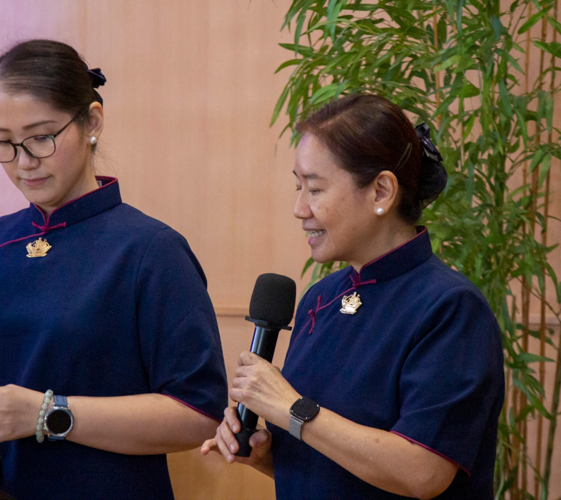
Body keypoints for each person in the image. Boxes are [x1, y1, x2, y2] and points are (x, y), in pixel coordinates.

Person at [0, 39, 227, 500]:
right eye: (4, 143)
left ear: (92, 121)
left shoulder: (151, 251)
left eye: (41, 138)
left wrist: (48, 413)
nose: (24, 162)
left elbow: (197, 412)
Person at [202, 93, 504, 499]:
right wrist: (268, 453)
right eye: (298, 187)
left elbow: (423, 472)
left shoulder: (450, 309)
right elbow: (333, 464)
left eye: (315, 189)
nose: (299, 208)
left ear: (381, 191)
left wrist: (292, 410)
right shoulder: (319, 299)